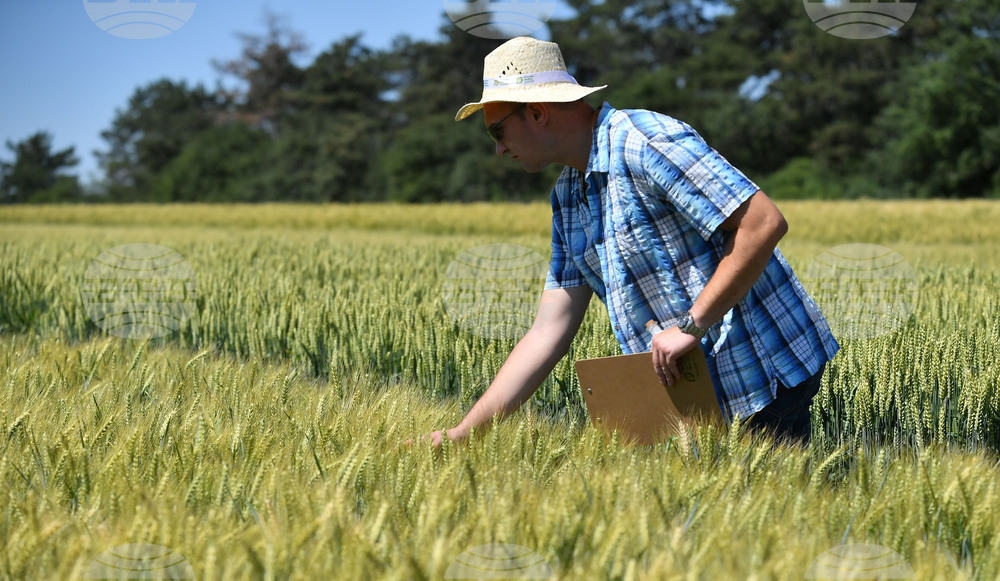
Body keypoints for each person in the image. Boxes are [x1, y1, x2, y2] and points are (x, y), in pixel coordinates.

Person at [426, 36, 839, 447]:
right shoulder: (568, 198)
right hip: (695, 392)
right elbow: (548, 331)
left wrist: (691, 325)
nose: (499, 149)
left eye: (497, 132)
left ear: (536, 112)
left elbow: (762, 223)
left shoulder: (646, 141)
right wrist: (465, 432)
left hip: (761, 367)